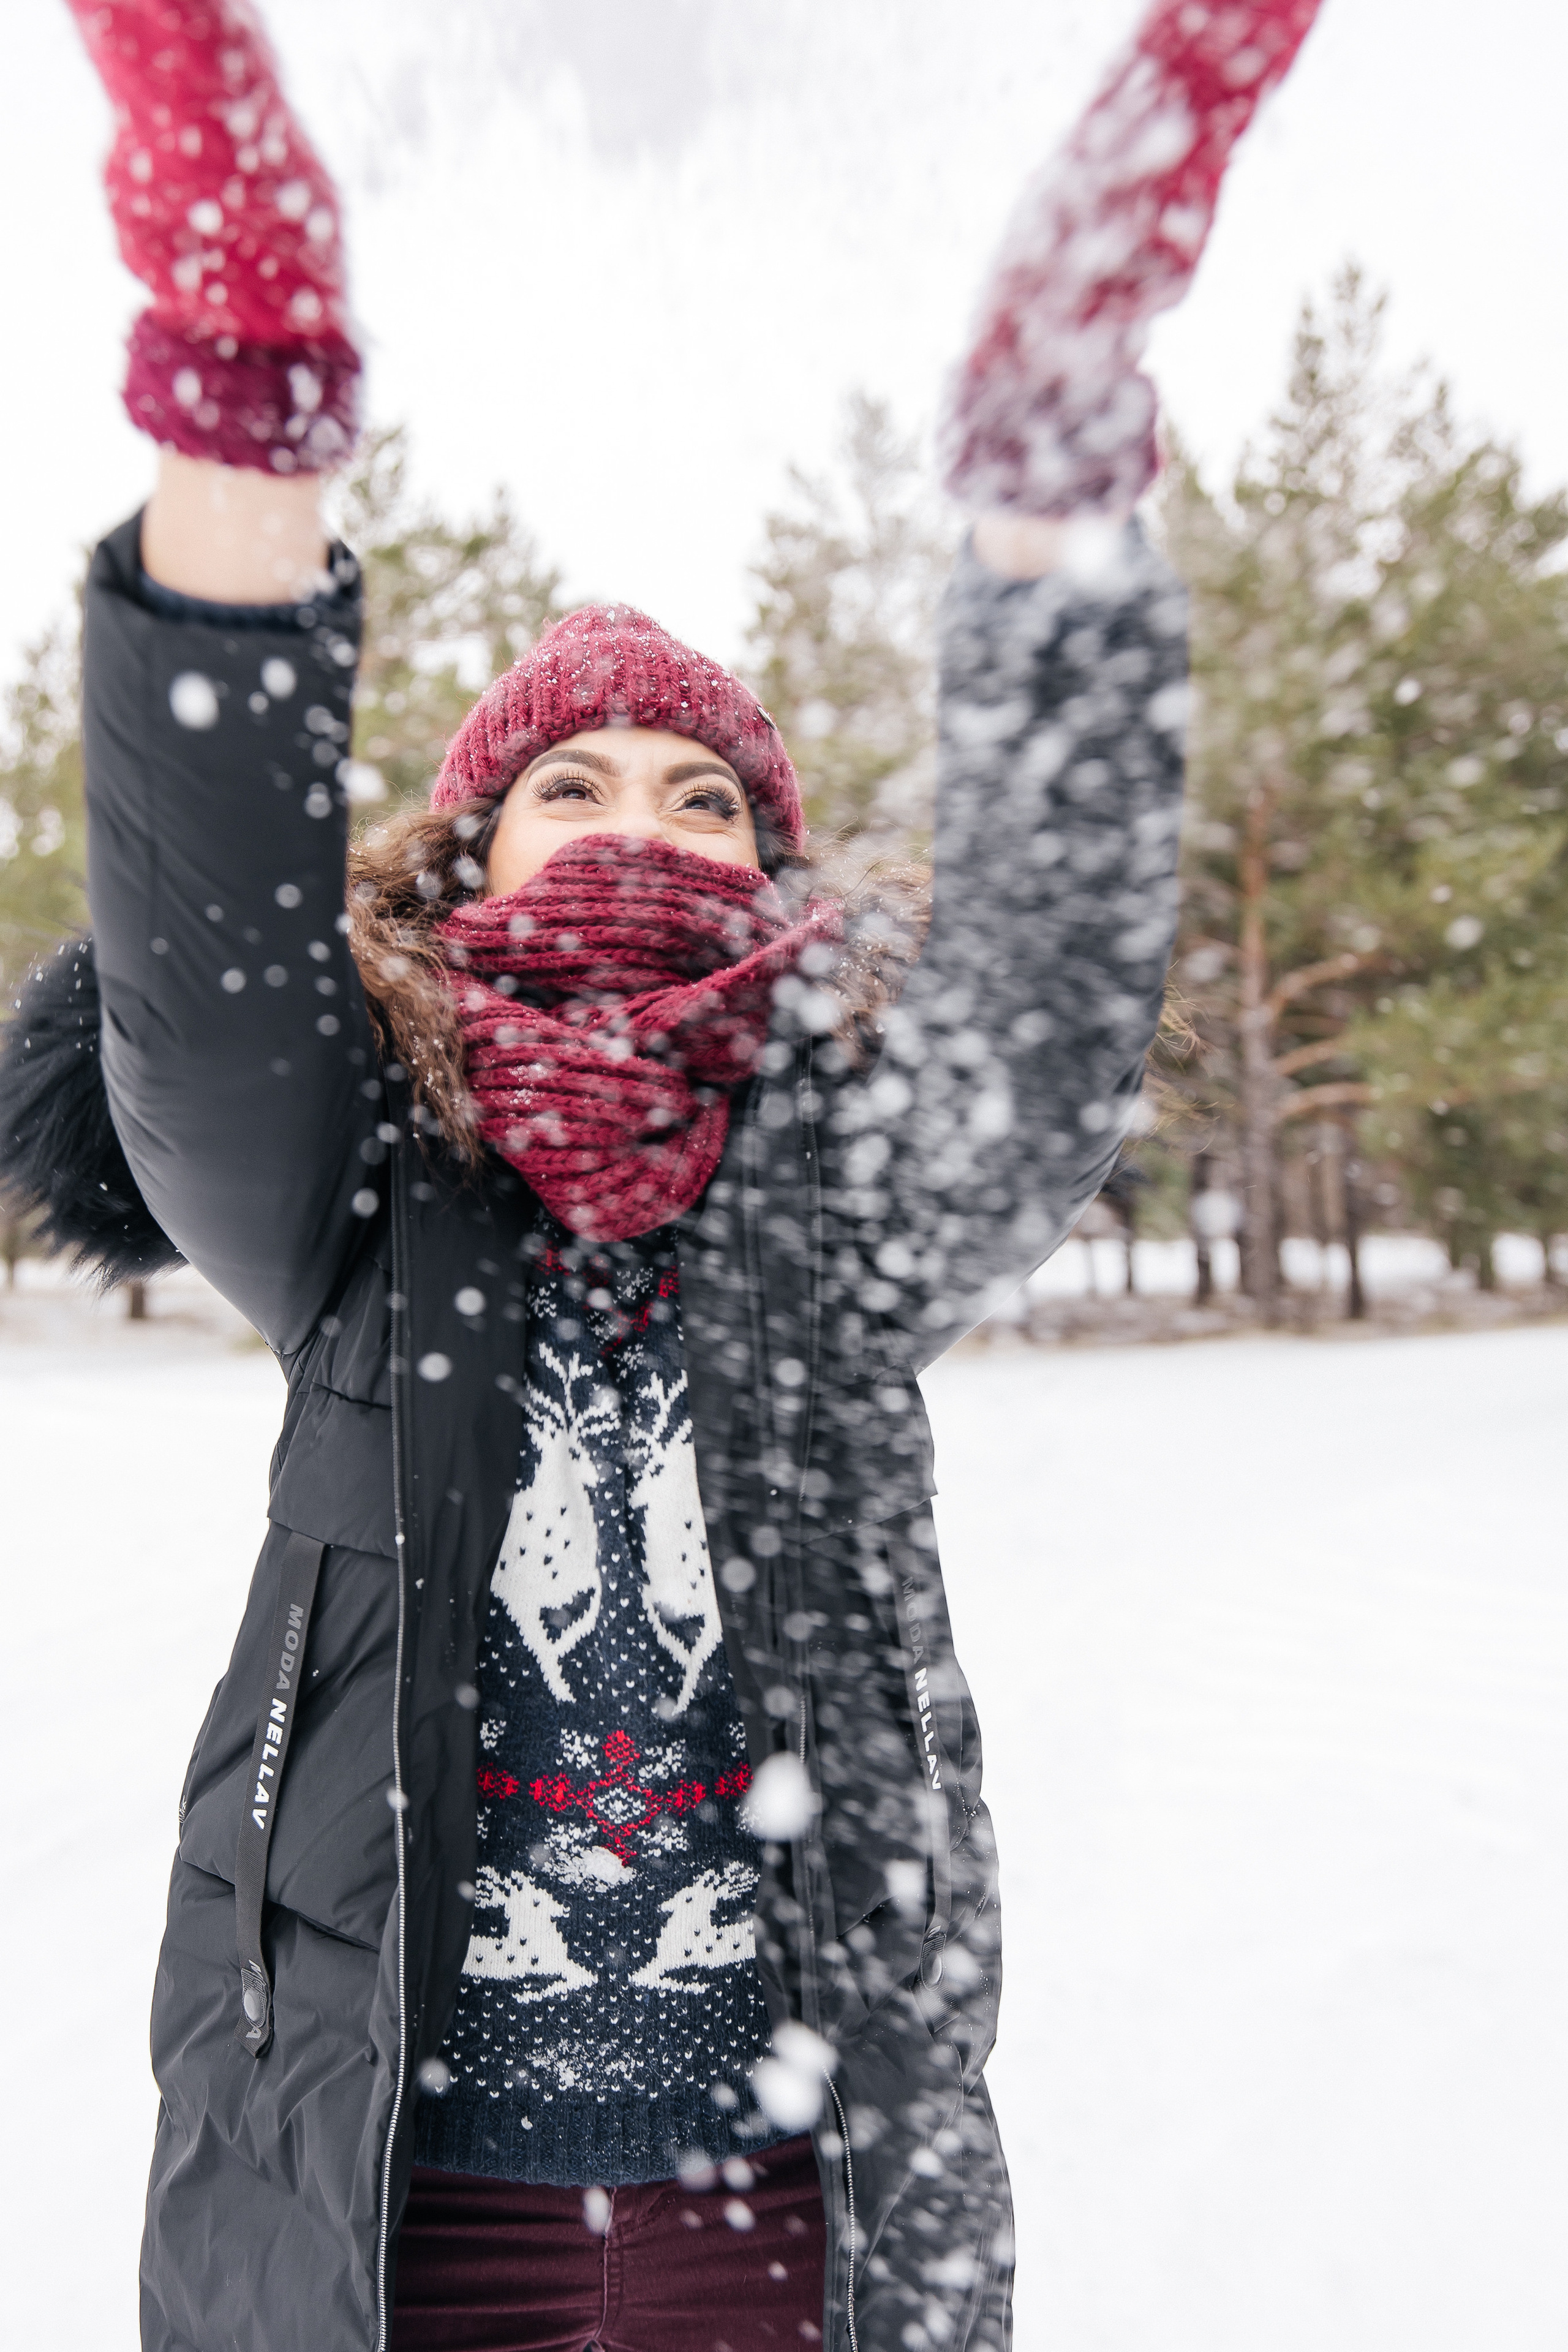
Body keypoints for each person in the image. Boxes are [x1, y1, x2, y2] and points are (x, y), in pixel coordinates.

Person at [5, 2, 1318, 2346]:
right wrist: (243, 381)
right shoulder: (354, 1174)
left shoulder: (847, 1189)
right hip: (381, 2210)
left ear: (779, 881)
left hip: (791, 2207)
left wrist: (1054, 423)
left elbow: (1044, 988)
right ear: (469, 858)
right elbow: (200, 952)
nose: (650, 824)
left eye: (710, 797)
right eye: (577, 786)